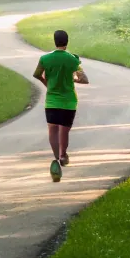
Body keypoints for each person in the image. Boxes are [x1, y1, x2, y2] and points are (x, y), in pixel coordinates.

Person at [33, 29, 88, 182]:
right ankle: (63, 155)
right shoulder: (73, 59)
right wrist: (74, 80)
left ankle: (56, 158)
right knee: (64, 130)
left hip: (51, 100)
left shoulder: (45, 58)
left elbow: (36, 74)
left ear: (54, 41)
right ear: (67, 41)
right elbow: (84, 79)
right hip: (69, 100)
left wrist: (47, 83)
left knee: (52, 128)